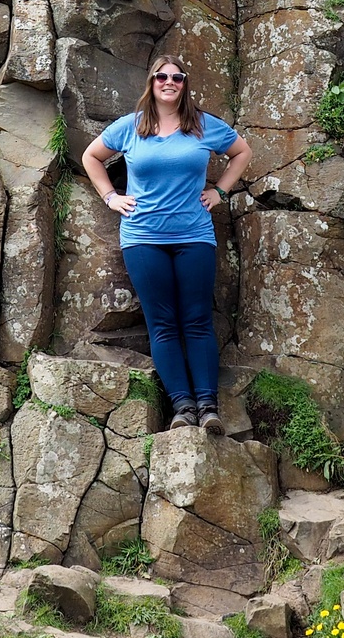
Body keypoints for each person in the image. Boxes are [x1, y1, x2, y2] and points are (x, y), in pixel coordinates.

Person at [80, 55, 252, 434]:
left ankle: (208, 407)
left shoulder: (203, 125)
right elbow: (91, 157)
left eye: (176, 77)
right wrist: (111, 197)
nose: (169, 82)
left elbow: (242, 152)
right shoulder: (132, 126)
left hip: (194, 235)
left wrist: (221, 190)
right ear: (152, 82)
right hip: (143, 238)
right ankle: (182, 407)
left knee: (197, 320)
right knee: (162, 324)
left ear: (185, 83)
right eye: (161, 77)